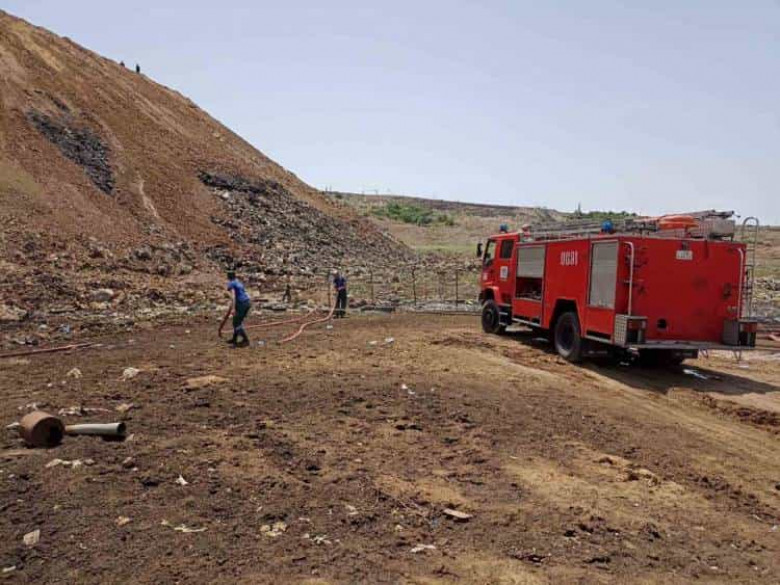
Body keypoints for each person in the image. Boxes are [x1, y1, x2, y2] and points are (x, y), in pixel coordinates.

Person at [226, 270, 251, 346]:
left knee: (236, 323)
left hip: (241, 304)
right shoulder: (238, 282)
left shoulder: (231, 283)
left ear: (228, 277)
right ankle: (234, 339)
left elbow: (233, 296)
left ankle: (246, 340)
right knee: (236, 321)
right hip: (246, 303)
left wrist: (233, 308)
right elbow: (244, 293)